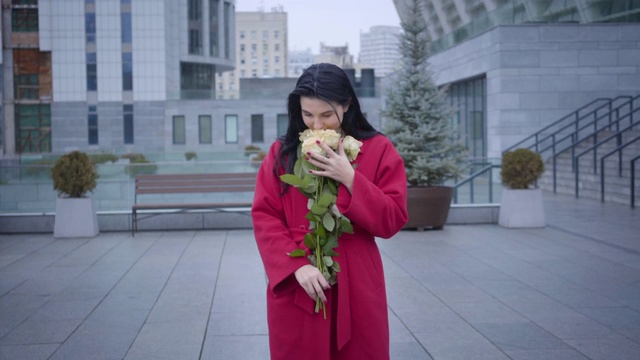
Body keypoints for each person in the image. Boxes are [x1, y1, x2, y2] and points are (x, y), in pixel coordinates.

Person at [252, 63, 408, 360]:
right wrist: (296, 266)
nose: (317, 125)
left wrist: (350, 178)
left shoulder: (378, 148)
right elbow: (265, 216)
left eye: (326, 115)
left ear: (347, 105)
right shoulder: (281, 153)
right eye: (307, 115)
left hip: (358, 280)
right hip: (300, 278)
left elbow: (393, 218)